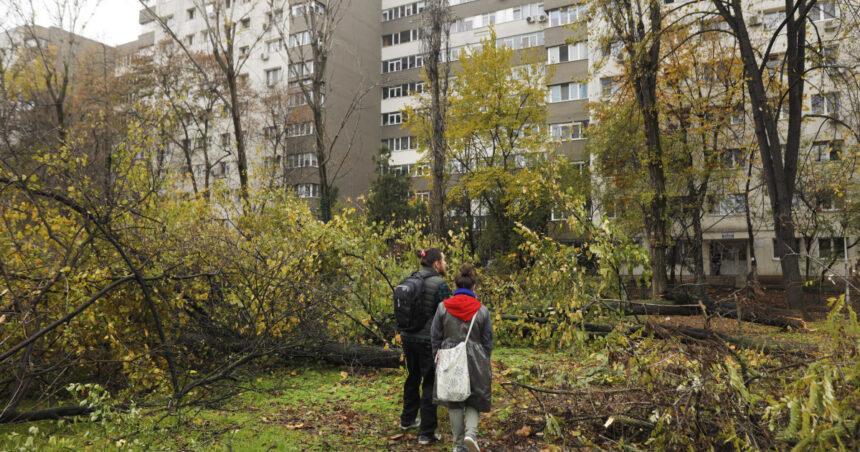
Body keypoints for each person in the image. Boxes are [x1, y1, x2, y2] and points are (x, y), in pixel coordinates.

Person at [431, 263, 493, 452]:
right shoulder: (482, 310)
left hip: (450, 358)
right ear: (473, 287)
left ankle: (458, 446)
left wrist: (437, 356)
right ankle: (470, 434)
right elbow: (488, 339)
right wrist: (484, 358)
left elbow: (435, 335)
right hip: (476, 359)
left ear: (456, 286)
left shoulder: (443, 308)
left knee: (454, 401)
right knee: (474, 399)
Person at [400, 248, 450, 445]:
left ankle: (407, 420)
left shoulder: (409, 279)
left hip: (407, 338)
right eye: (444, 261)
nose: (445, 264)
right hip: (427, 341)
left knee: (412, 377)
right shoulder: (440, 284)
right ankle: (426, 433)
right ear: (436, 264)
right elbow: (446, 315)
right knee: (430, 382)